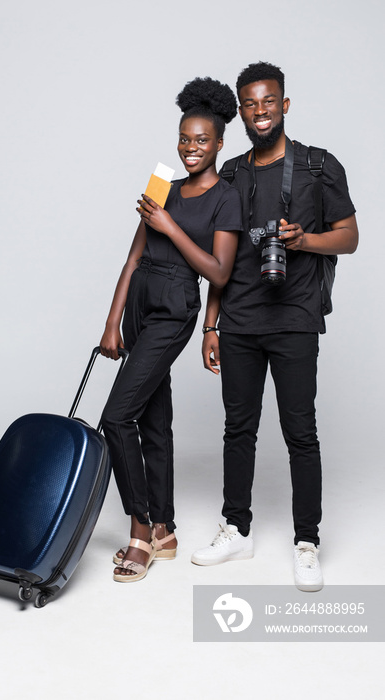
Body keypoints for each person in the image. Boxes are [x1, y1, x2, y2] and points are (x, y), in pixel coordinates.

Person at [191, 62, 358, 591]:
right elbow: (222, 257)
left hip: (294, 318)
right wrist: (210, 325)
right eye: (249, 104)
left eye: (268, 102)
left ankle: (306, 541)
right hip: (238, 317)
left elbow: (350, 237)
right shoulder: (233, 174)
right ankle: (236, 528)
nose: (259, 112)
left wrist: (303, 240)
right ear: (240, 111)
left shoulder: (317, 167)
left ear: (284, 105)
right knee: (237, 429)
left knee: (299, 433)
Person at [100, 77, 242, 582]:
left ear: (220, 143)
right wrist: (113, 322)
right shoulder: (163, 186)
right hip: (139, 301)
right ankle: (166, 528)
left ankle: (140, 530)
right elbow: (134, 256)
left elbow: (219, 273)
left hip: (175, 305)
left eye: (201, 140)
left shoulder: (226, 197)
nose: (190, 148)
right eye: (184, 139)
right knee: (153, 421)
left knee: (116, 417)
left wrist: (170, 226)